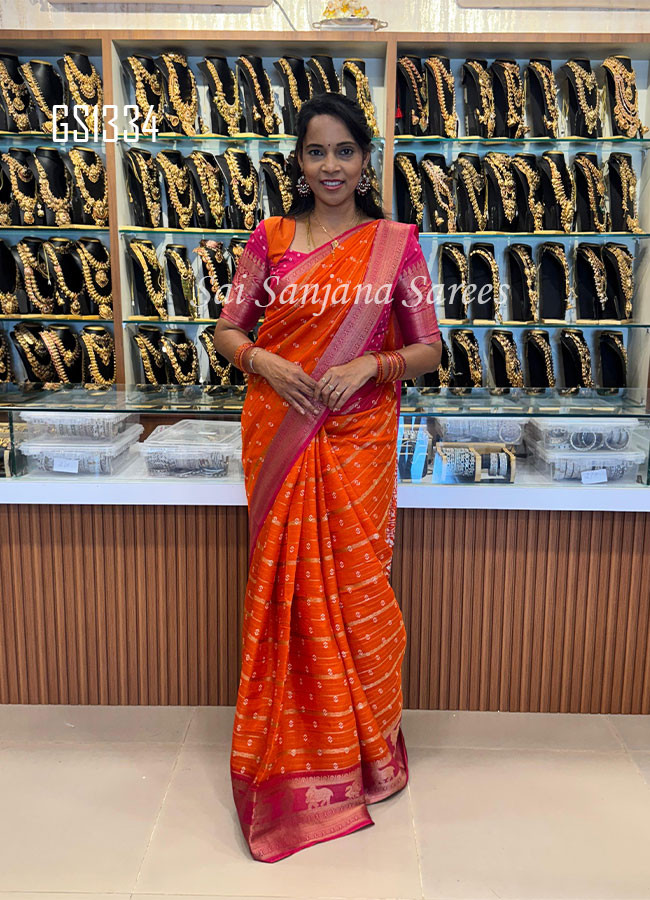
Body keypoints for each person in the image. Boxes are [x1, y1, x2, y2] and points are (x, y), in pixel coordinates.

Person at [213, 92, 442, 863]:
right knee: (287, 596)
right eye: (317, 151)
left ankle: (369, 755)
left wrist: (370, 365)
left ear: (366, 159)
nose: (331, 166)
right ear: (299, 161)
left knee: (356, 591)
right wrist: (265, 360)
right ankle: (296, 754)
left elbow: (429, 349)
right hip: (280, 433)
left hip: (357, 442)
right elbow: (227, 330)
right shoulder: (270, 238)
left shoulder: (394, 245)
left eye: (345, 151)